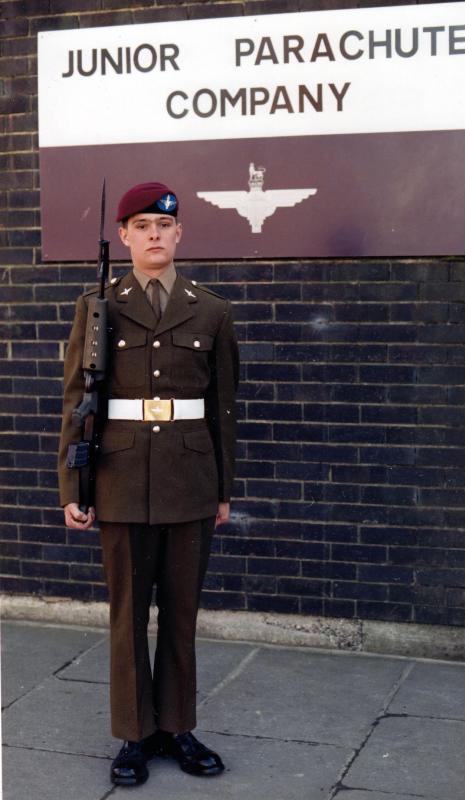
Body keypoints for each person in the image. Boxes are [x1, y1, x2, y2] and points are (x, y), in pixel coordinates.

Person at [58, 181, 239, 787]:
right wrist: (71, 488)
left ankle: (177, 727)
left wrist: (223, 489)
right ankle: (134, 735)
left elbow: (225, 407)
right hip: (119, 474)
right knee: (128, 613)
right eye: (140, 226)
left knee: (181, 613)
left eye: (163, 225)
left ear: (179, 233)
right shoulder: (98, 305)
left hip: (190, 475)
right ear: (128, 235)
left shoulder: (210, 309)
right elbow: (76, 403)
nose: (153, 235)